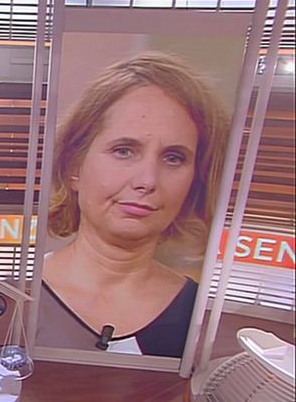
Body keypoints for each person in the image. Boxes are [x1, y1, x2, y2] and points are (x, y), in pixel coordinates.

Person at [38, 52, 230, 357]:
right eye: (124, 151)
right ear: (74, 166)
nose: (147, 180)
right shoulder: (10, 296)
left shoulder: (206, 320)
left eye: (173, 158)